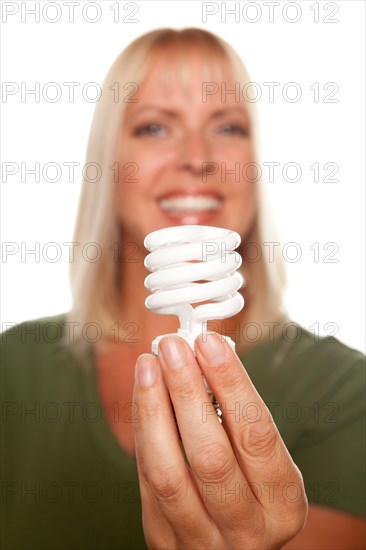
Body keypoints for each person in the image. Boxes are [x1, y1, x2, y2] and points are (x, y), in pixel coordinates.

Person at [1, 28, 365, 550]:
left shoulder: (346, 391)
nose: (197, 156)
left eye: (229, 127)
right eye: (154, 128)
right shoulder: (11, 367)